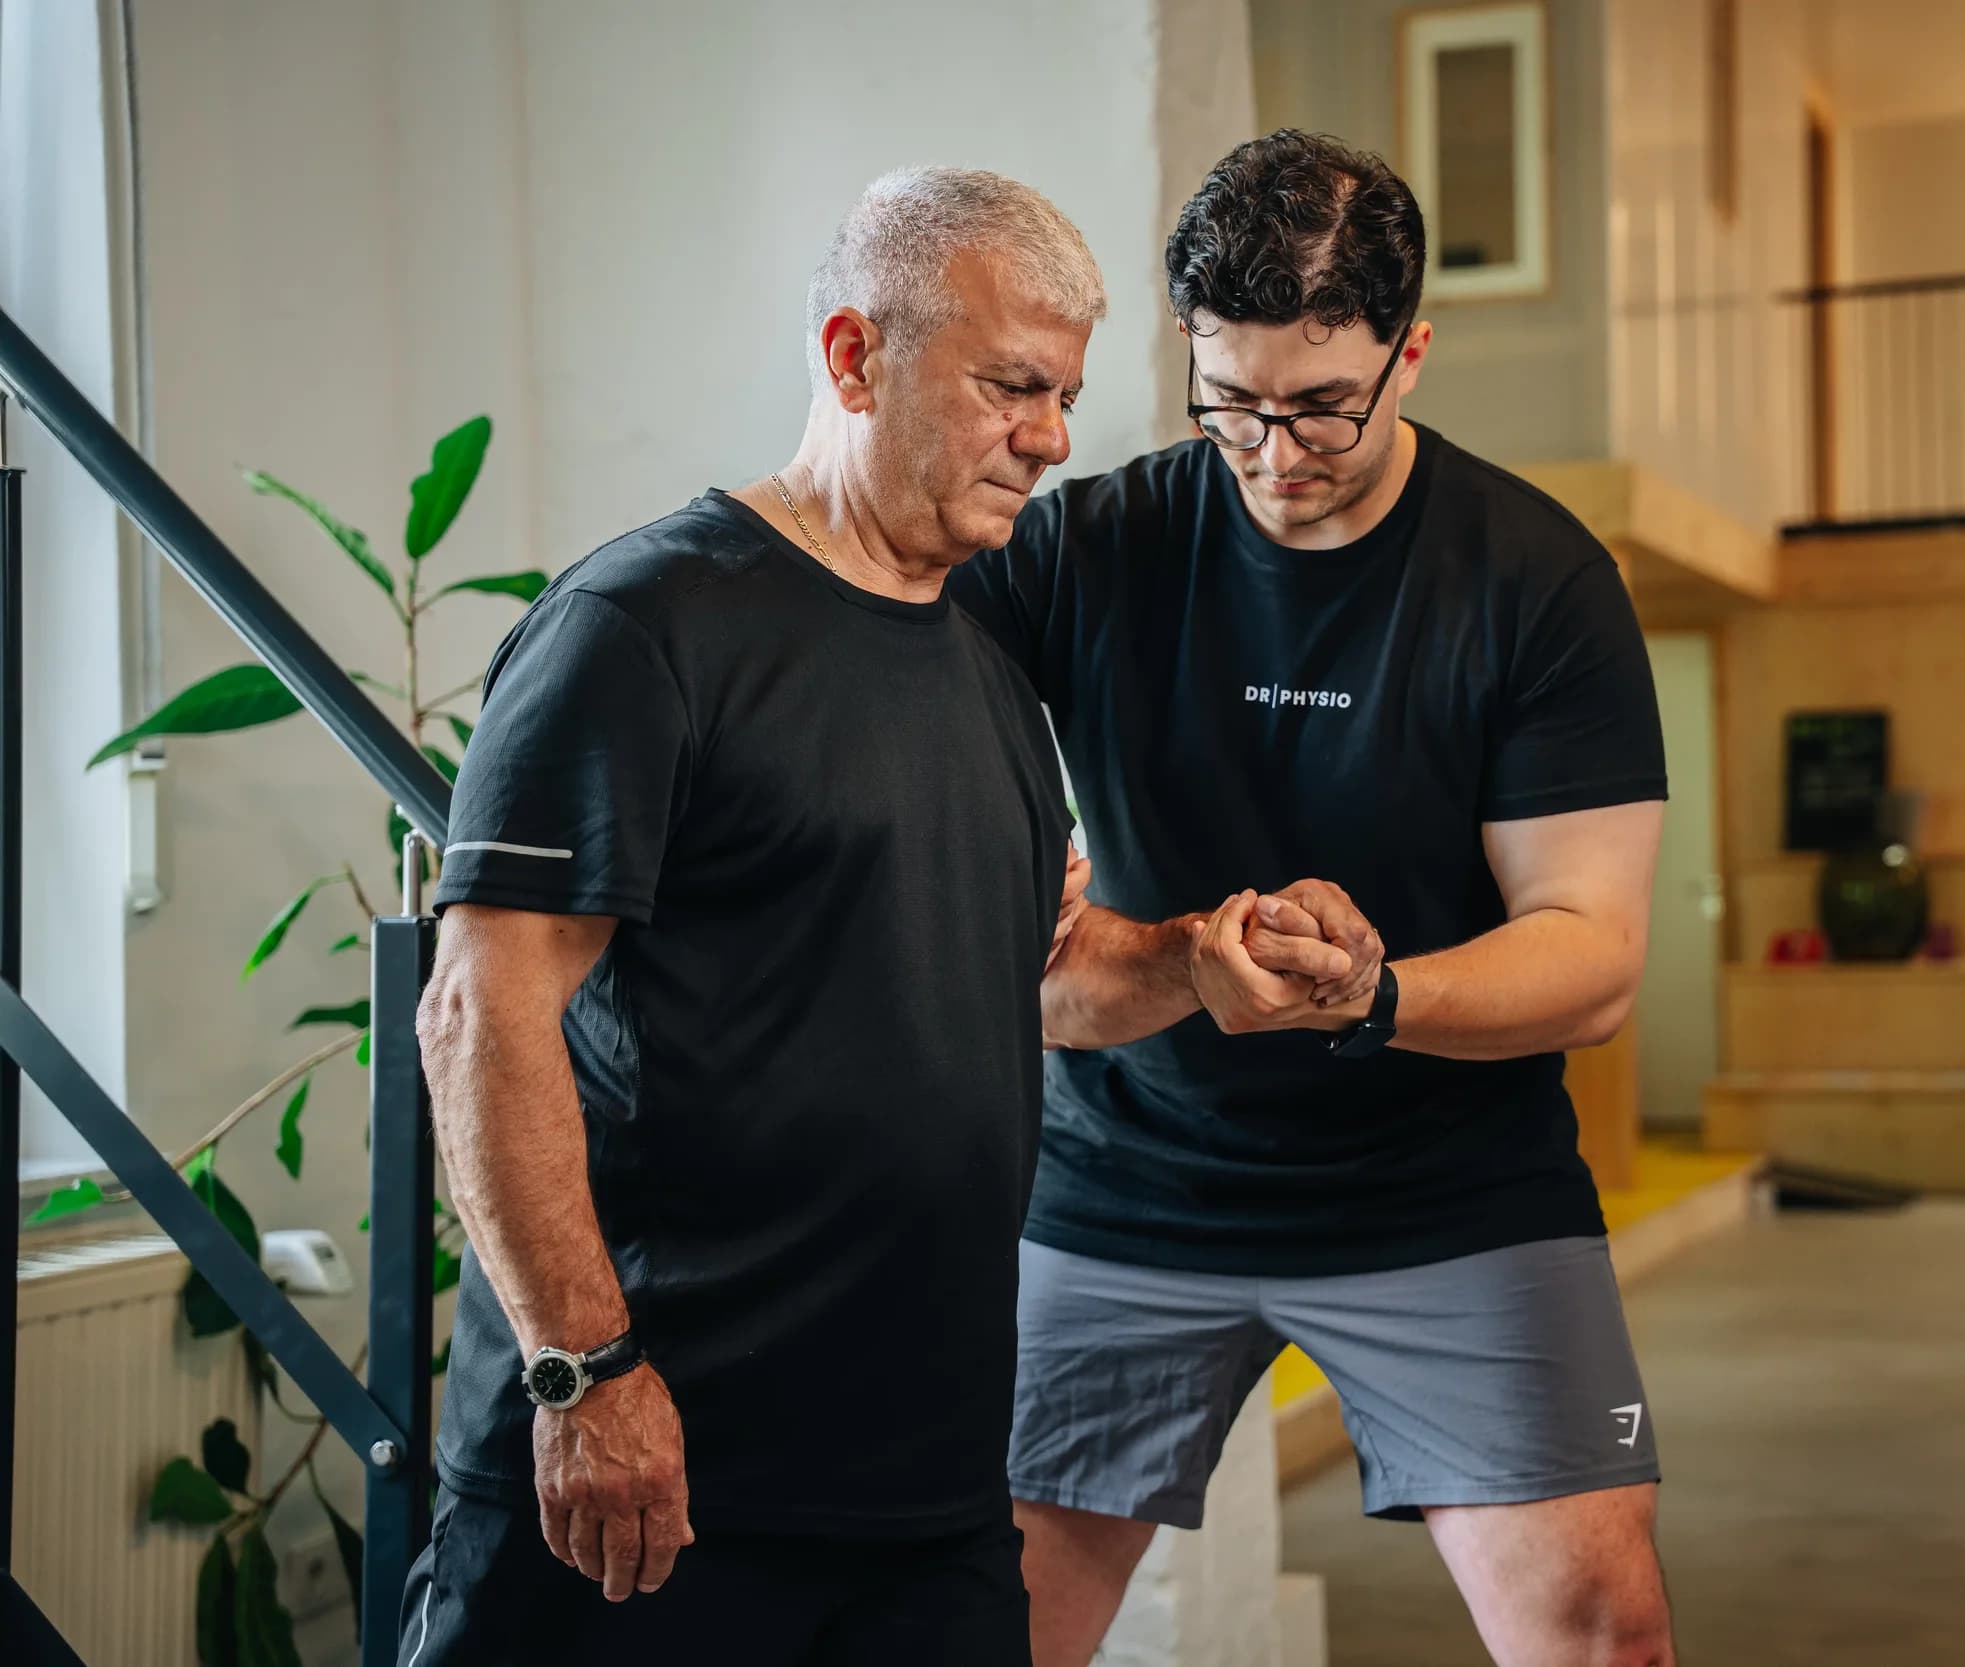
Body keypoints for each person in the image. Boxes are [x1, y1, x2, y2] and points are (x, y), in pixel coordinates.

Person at [953, 130, 1680, 1667]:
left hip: (1451, 1188)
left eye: (1324, 407)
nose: (1278, 454)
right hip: (1124, 1181)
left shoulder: (1536, 584)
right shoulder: (1091, 546)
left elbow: (1594, 955)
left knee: (1602, 1631)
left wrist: (1379, 993)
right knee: (972, 1624)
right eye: (1234, 405)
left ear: (1409, 352)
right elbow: (873, 650)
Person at [400, 167, 1100, 1665]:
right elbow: (480, 1012)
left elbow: (1013, 988)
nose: (1049, 437)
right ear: (854, 356)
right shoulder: (644, 628)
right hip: (656, 1488)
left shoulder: (986, 670)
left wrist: (1203, 962)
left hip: (925, 1501)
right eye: (1011, 387)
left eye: (1064, 396)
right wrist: (588, 1376)